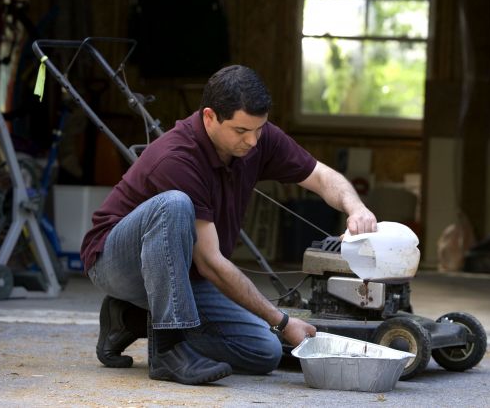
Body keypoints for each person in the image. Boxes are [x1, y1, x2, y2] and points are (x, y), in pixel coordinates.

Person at [80, 65, 377, 385]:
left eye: (259, 129)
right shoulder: (177, 158)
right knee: (175, 204)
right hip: (116, 262)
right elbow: (210, 262)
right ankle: (167, 351)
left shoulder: (257, 137)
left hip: (182, 272)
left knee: (263, 352)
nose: (252, 141)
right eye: (240, 131)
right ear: (209, 117)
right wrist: (282, 321)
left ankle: (130, 318)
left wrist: (355, 207)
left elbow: (320, 176)